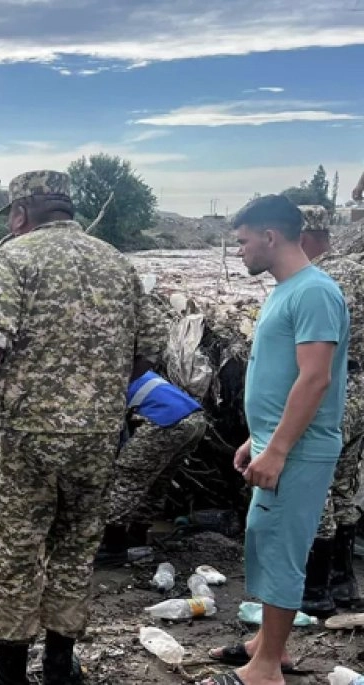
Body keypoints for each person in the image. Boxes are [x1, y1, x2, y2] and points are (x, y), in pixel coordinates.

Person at [0, 170, 165, 685]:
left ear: (20, 213)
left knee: (16, 552)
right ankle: (61, 668)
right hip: (97, 437)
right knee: (74, 547)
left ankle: (10, 673)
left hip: (28, 436)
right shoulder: (117, 262)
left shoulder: (14, 257)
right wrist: (98, 387)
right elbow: (150, 350)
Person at [204, 195, 349, 685]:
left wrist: (280, 448)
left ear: (270, 237)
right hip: (277, 443)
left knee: (282, 549)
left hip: (300, 449)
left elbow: (315, 379)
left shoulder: (313, 292)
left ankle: (265, 671)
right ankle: (268, 647)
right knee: (264, 540)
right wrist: (258, 437)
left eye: (243, 241)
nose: (239, 251)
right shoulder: (288, 290)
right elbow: (281, 374)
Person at [295, 204, 364, 615]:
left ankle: (314, 588)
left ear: (300, 237)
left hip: (332, 388)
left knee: (314, 480)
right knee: (344, 483)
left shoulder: (318, 280)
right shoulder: (358, 268)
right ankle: (344, 583)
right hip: (361, 388)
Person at [96, 371, 206, 564]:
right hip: (194, 420)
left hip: (165, 421)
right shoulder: (138, 370)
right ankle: (138, 536)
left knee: (126, 481)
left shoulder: (106, 378)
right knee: (158, 481)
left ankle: (112, 545)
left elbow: (115, 431)